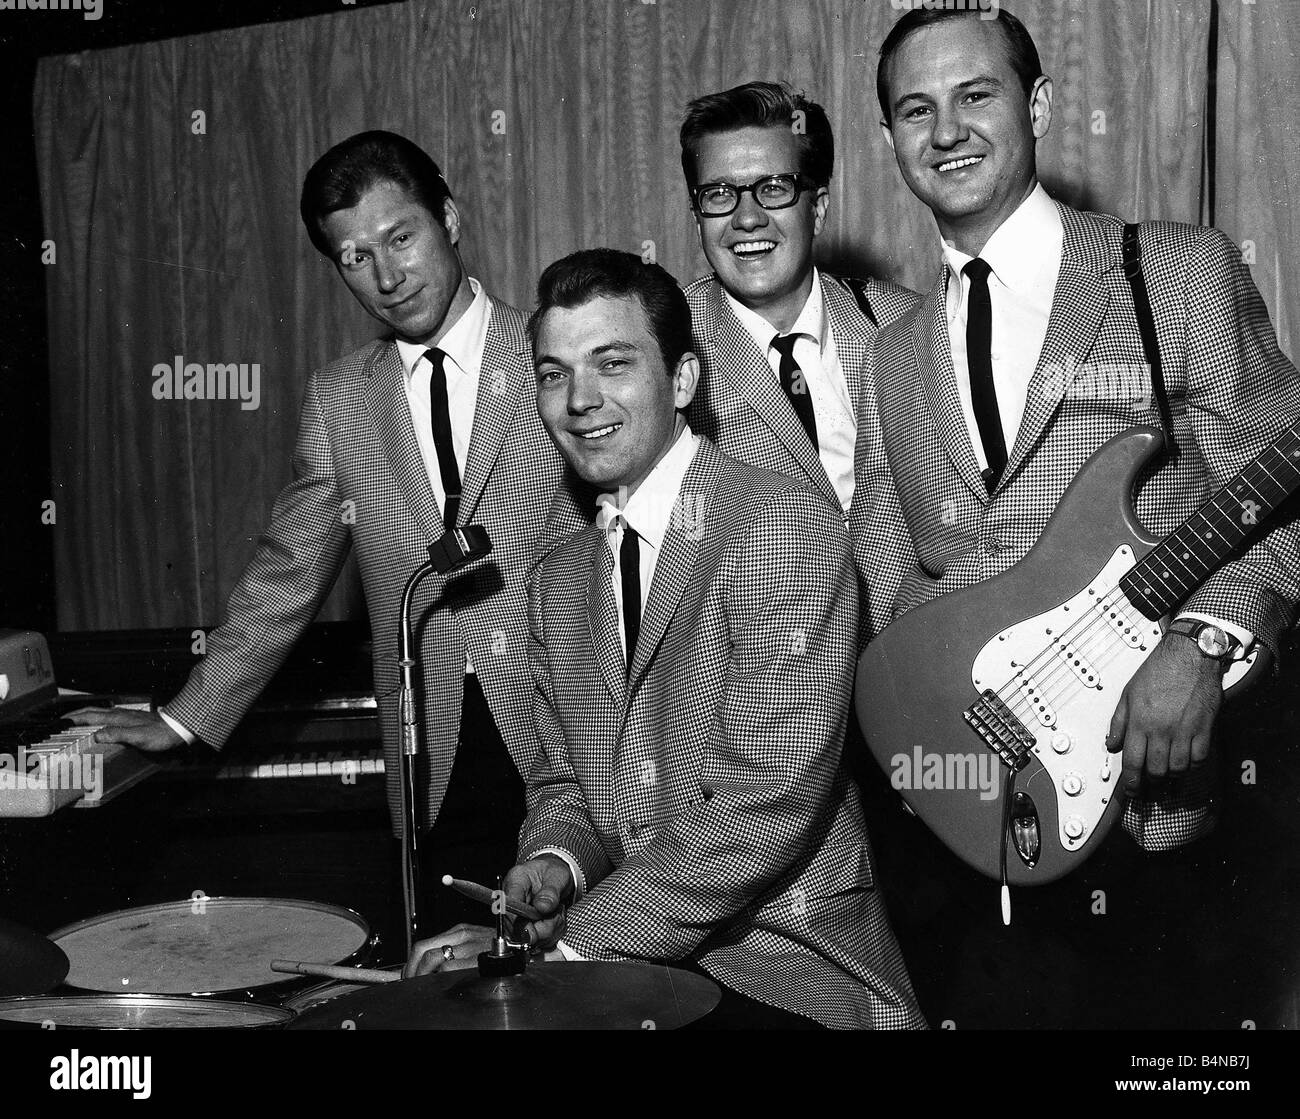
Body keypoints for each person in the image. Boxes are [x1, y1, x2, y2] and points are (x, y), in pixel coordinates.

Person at [850, 6, 1300, 1025]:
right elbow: (888, 560)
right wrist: (922, 738)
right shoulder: (891, 353)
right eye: (915, 110)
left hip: (1169, 795)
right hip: (979, 825)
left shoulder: (1170, 269)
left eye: (976, 96)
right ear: (889, 141)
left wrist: (1206, 640)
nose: (946, 131)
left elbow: (1276, 468)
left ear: (1039, 103)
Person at [71, 130, 586, 931]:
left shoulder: (558, 352)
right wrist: (180, 717)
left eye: (401, 237)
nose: (386, 276)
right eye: (354, 257)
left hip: (581, 738)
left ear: (449, 217)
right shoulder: (342, 398)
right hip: (433, 760)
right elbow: (287, 573)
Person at [408, 249, 924, 1031]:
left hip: (783, 967)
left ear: (682, 381)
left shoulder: (777, 526)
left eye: (612, 363)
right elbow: (565, 782)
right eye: (553, 374)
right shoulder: (557, 577)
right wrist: (556, 863)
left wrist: (565, 941)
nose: (580, 400)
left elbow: (764, 804)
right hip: (632, 962)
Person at [679, 80, 918, 518]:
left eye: (773, 188)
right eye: (718, 195)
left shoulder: (907, 322)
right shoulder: (666, 342)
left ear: (819, 209)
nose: (747, 219)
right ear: (698, 221)